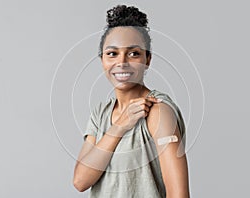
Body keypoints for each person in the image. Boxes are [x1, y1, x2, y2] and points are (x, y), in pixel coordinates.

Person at [73, 4, 190, 198]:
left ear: (148, 59)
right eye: (112, 53)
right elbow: (80, 181)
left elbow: (179, 194)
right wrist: (119, 126)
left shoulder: (158, 110)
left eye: (134, 53)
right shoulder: (100, 113)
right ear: (102, 59)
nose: (122, 62)